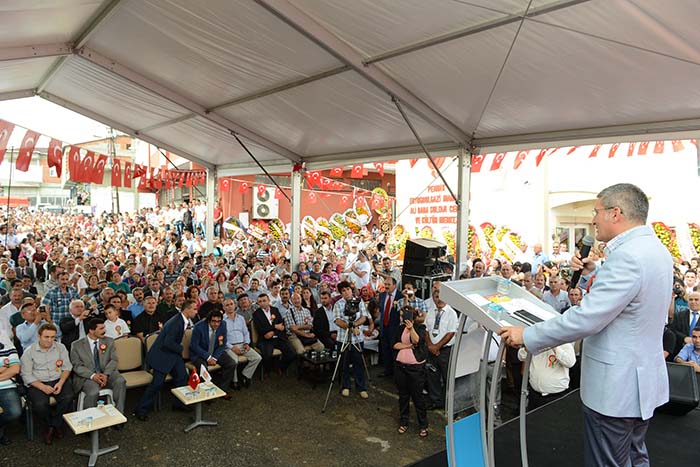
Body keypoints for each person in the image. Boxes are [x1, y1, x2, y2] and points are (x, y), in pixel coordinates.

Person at [499, 183, 672, 467]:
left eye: (597, 211)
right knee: (635, 458)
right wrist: (592, 273)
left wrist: (527, 335)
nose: (593, 219)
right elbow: (631, 303)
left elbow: (586, 318)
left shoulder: (627, 257)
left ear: (615, 213)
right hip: (641, 385)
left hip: (616, 391)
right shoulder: (655, 250)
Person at [134, 299, 199, 421]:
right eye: (195, 309)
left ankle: (178, 404)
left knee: (182, 377)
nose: (196, 311)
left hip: (173, 355)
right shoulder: (176, 322)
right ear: (187, 309)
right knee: (157, 384)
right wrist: (180, 348)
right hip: (162, 356)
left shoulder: (182, 319)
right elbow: (167, 343)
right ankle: (141, 409)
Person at [20, 323, 74, 445]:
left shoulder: (60, 347)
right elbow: (26, 374)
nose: (50, 340)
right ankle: (52, 425)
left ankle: (53, 426)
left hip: (57, 378)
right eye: (46, 337)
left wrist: (61, 382)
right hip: (38, 382)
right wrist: (42, 387)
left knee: (68, 396)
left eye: (53, 337)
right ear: (39, 336)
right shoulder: (29, 352)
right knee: (39, 404)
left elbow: (67, 367)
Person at [69, 317, 127, 414]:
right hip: (87, 377)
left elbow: (113, 359)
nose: (104, 330)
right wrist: (93, 376)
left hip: (106, 373)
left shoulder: (109, 341)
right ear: (91, 331)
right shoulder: (76, 345)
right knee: (93, 392)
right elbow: (77, 366)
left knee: (120, 381)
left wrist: (106, 374)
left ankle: (119, 414)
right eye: (101, 328)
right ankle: (90, 421)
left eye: (104, 327)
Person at [394, 306, 429, 438]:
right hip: (400, 367)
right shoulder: (399, 328)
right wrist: (408, 346)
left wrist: (411, 329)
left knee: (417, 397)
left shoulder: (420, 328)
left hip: (415, 369)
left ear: (413, 317)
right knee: (403, 396)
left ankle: (423, 425)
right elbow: (395, 344)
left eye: (406, 316)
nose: (404, 318)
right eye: (402, 316)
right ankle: (404, 422)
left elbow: (417, 341)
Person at [334, 281, 370, 399]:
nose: (346, 292)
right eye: (343, 291)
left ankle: (361, 387)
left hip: (357, 338)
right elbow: (337, 320)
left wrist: (354, 325)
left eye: (348, 289)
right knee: (344, 363)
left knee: (358, 363)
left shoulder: (359, 302)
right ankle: (345, 386)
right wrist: (350, 328)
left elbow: (364, 317)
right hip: (343, 338)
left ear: (351, 289)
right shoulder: (338, 304)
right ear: (341, 293)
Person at [189, 310, 235, 400]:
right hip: (200, 354)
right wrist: (208, 357)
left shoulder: (223, 325)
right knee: (203, 369)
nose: (216, 324)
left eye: (218, 321)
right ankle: (207, 394)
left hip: (215, 351)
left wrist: (214, 357)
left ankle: (222, 390)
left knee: (231, 363)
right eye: (214, 321)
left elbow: (223, 343)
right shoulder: (199, 327)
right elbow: (194, 346)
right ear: (208, 320)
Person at [517, 342, 576, 409]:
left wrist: (554, 347)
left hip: (556, 397)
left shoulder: (564, 342)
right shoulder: (536, 342)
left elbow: (570, 362)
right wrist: (527, 349)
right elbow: (521, 356)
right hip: (534, 395)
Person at [424, 296, 458, 411]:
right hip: (431, 350)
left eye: (442, 297)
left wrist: (437, 347)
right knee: (432, 376)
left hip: (445, 351)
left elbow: (451, 333)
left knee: (447, 376)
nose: (439, 299)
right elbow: (427, 330)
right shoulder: (430, 311)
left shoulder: (451, 313)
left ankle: (448, 403)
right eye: (436, 297)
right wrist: (430, 346)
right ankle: (435, 401)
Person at [222, 298, 262, 389]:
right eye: (227, 305)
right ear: (224, 308)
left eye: (231, 304)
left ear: (235, 305)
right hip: (229, 346)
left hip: (242, 344)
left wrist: (247, 343)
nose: (230, 307)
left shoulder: (241, 318)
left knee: (257, 357)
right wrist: (232, 347)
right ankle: (234, 381)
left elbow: (246, 332)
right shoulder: (222, 320)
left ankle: (245, 375)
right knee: (234, 361)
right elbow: (222, 338)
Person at [252, 293, 295, 372]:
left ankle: (281, 366)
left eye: (264, 300)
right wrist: (274, 327)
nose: (262, 303)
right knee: (267, 355)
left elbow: (281, 325)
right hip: (265, 339)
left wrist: (273, 332)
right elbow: (260, 329)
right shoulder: (256, 314)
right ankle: (268, 370)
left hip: (278, 336)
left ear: (268, 301)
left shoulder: (275, 310)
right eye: (260, 301)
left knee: (291, 353)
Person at [0, 330, 22, 446]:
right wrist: (3, 368)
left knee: (15, 412)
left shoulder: (7, 344)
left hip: (6, 385)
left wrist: (7, 369)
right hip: (5, 379)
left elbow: (15, 369)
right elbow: (10, 368)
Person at [378, 276, 402, 377]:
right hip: (384, 327)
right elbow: (382, 311)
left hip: (395, 328)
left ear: (394, 285)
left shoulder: (400, 296)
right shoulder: (382, 295)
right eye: (385, 284)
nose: (386, 286)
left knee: (394, 351)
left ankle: (396, 373)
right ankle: (387, 371)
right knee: (385, 350)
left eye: (388, 284)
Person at [669, 291, 700, 356]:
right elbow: (672, 330)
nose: (693, 302)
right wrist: (684, 338)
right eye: (691, 299)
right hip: (679, 351)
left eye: (696, 299)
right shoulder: (679, 315)